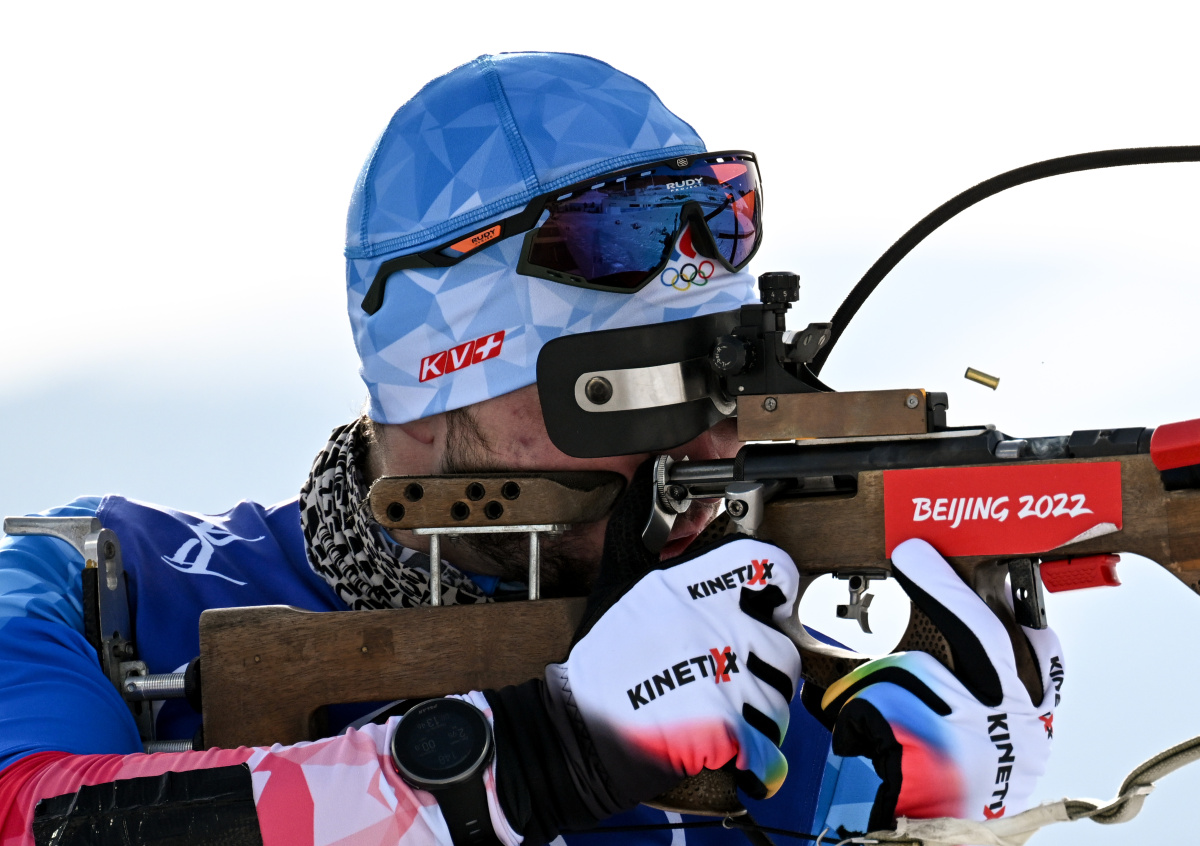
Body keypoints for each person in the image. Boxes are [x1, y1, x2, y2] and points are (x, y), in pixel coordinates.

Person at [0, 53, 1062, 846]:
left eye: (729, 378)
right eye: (627, 391)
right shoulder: (93, 589)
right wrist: (539, 757)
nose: (712, 440)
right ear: (431, 395)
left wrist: (912, 817)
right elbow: (29, 817)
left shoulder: (787, 702)